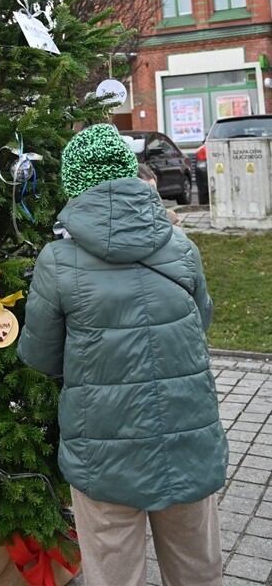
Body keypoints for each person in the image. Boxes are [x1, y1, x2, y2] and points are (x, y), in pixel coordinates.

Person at [17, 123, 228, 586]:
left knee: (114, 575)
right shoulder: (182, 248)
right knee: (198, 570)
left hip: (102, 450)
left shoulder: (57, 261)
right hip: (187, 436)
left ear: (75, 185)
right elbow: (201, 324)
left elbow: (41, 356)